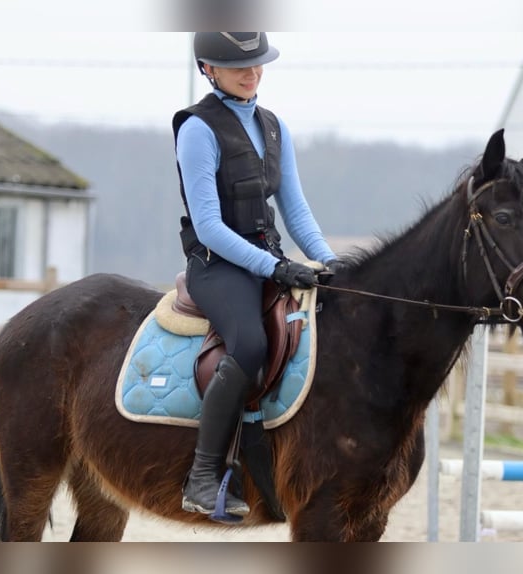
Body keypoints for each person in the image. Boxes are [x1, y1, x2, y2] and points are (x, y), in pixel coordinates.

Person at [172, 32, 338, 518]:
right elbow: (208, 226)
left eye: (258, 63)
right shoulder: (198, 129)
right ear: (208, 68)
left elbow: (297, 212)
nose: (252, 73)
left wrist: (330, 263)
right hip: (217, 266)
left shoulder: (272, 128)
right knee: (249, 344)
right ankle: (201, 477)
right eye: (238, 66)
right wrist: (275, 266)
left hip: (269, 260)